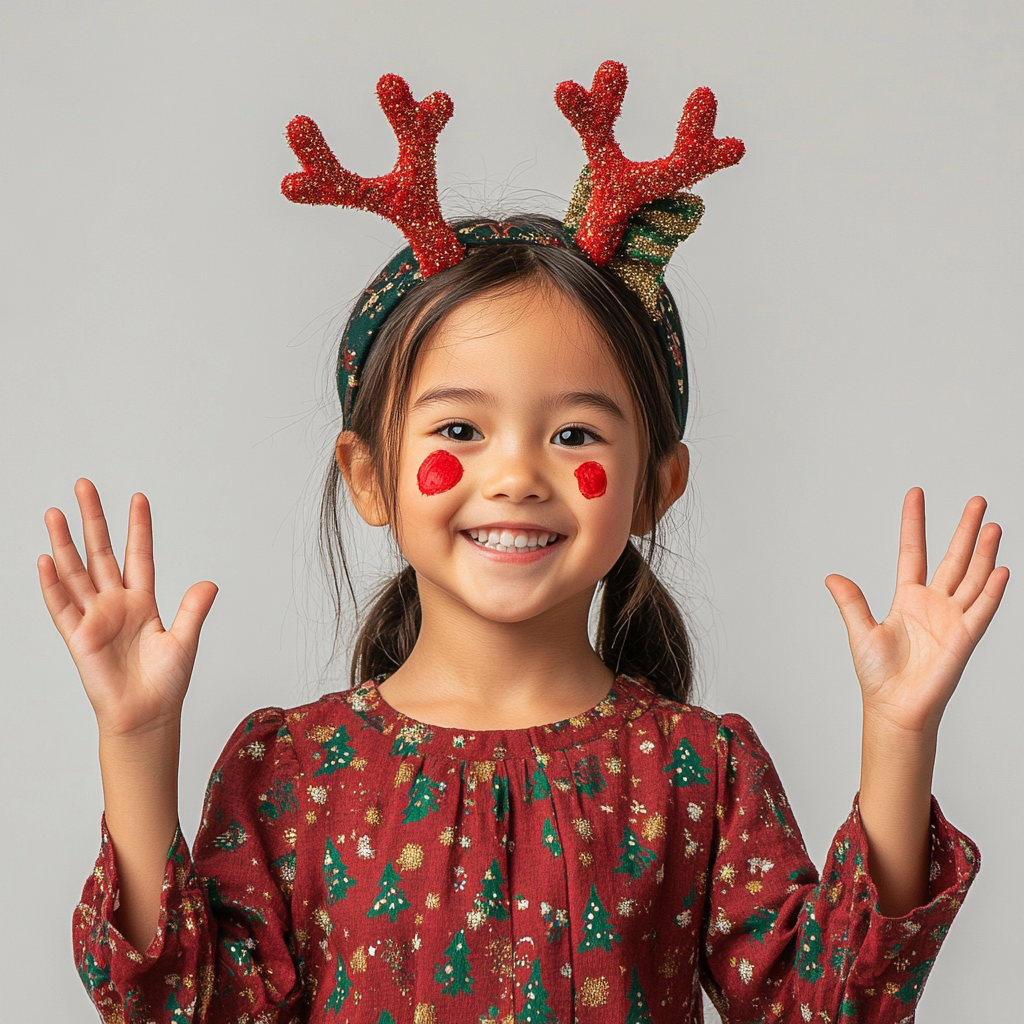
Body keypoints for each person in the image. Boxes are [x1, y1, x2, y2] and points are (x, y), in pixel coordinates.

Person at [42, 63, 1007, 1023]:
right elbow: (183, 1007)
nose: (516, 475)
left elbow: (831, 1009)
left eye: (575, 434)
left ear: (654, 488)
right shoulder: (291, 769)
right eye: (460, 430)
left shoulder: (696, 770)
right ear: (369, 475)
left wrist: (900, 733)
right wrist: (134, 741)